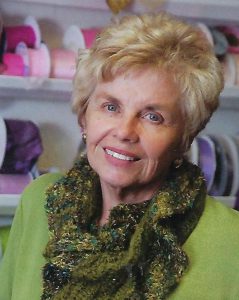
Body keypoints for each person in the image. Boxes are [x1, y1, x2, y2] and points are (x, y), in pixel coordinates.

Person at [0, 12, 239, 300]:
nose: (125, 131)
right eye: (111, 107)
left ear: (183, 138)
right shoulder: (40, 200)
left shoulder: (230, 243)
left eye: (153, 116)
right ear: (85, 117)